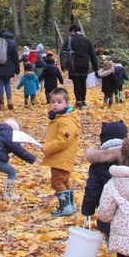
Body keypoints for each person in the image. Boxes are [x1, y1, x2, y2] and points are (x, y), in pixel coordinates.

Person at [81, 120, 128, 242]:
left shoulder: (98, 165)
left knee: (112, 241)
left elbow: (92, 190)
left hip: (108, 215)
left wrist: (87, 210)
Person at [42, 87, 80, 216]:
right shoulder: (59, 118)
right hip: (61, 156)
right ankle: (70, 204)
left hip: (62, 157)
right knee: (64, 181)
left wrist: (47, 148)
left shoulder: (66, 120)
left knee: (57, 182)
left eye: (59, 102)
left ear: (66, 104)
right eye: (52, 102)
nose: (55, 105)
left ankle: (65, 207)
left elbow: (64, 140)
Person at [0, 118, 36, 200]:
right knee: (12, 172)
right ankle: (8, 194)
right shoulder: (9, 134)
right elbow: (17, 149)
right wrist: (31, 158)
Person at [60, 23, 98, 108]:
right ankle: (83, 100)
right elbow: (93, 55)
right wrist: (95, 68)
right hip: (85, 65)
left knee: (76, 83)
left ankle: (78, 102)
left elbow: (62, 53)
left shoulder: (69, 40)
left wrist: (63, 65)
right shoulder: (87, 40)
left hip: (73, 65)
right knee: (83, 83)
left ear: (73, 30)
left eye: (70, 31)